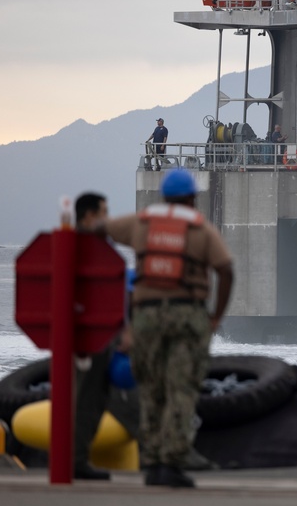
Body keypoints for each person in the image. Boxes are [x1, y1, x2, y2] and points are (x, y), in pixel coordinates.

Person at [99, 169, 233, 488]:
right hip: (187, 315)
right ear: (191, 198)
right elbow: (225, 269)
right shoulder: (201, 230)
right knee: (181, 388)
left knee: (151, 389)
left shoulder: (140, 224)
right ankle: (172, 462)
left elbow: (100, 231)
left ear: (163, 196)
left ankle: (152, 460)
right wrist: (215, 316)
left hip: (146, 317)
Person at [72, 192, 115, 481]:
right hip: (86, 336)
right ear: (89, 215)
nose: (107, 217)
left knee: (96, 397)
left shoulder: (97, 244)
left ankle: (78, 457)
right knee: (84, 397)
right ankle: (75, 460)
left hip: (100, 332)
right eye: (103, 212)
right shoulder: (79, 245)